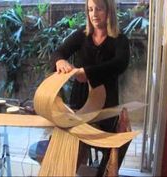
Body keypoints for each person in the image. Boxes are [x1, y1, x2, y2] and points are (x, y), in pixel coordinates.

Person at [51, 0, 130, 175]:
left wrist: (88, 72)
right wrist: (60, 60)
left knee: (108, 148)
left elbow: (120, 64)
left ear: (109, 10)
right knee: (74, 146)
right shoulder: (82, 35)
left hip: (106, 105)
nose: (94, 14)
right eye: (90, 9)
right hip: (80, 102)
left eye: (99, 9)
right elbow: (58, 52)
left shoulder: (119, 39)